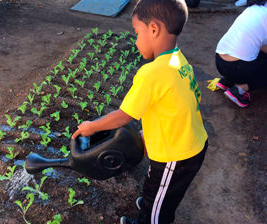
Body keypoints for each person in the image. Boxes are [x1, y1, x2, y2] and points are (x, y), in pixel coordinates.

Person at [72, 0, 208, 223]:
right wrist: (148, 135)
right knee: (158, 183)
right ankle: (152, 204)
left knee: (162, 193)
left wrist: (91, 127)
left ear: (153, 29)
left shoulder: (151, 73)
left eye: (136, 33)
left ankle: (151, 216)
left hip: (177, 154)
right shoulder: (179, 61)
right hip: (192, 142)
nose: (135, 41)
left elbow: (124, 115)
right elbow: (180, 106)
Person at [215, 0, 267, 107]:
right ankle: (240, 89)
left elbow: (261, 44)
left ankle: (228, 80)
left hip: (220, 62)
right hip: (237, 68)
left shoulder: (254, 8)